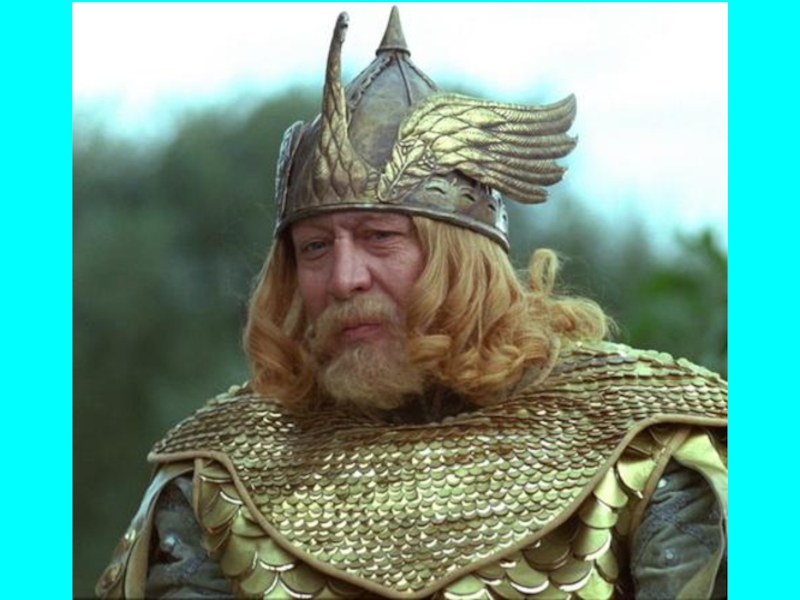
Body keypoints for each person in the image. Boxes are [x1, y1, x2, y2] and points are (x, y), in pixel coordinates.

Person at [97, 7, 727, 599]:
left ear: (464, 259)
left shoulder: (645, 440)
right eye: (315, 247)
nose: (344, 278)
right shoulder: (217, 473)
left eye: (380, 237)